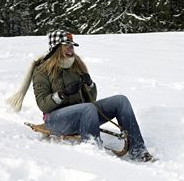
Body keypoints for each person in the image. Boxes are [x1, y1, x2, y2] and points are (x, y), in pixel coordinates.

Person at [31, 30, 153, 162]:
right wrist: (62, 94)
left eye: (71, 46)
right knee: (88, 108)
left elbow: (91, 99)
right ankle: (95, 154)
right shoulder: (42, 71)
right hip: (56, 120)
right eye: (66, 46)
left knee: (120, 101)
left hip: (84, 114)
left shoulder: (75, 65)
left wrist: (89, 84)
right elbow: (43, 104)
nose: (70, 50)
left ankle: (138, 150)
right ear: (56, 48)